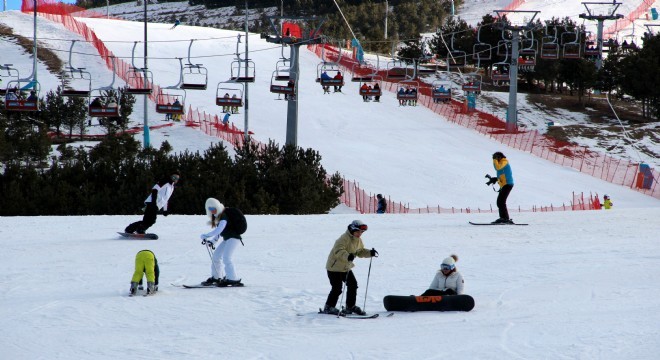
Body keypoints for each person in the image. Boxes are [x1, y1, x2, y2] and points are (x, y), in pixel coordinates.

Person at [322, 220, 378, 315]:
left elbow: (359, 251)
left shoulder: (358, 240)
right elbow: (338, 251)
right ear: (352, 230)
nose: (360, 234)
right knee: (337, 288)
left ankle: (350, 307)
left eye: (361, 232)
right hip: (334, 268)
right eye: (358, 232)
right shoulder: (343, 238)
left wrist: (369, 253)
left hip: (345, 268)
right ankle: (329, 307)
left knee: (353, 285)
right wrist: (347, 256)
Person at [199, 198, 246, 287]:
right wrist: (212, 241)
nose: (212, 211)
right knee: (216, 257)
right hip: (227, 239)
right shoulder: (219, 217)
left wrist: (206, 235)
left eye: (213, 209)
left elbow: (219, 229)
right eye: (210, 210)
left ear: (217, 207)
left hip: (233, 238)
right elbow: (220, 232)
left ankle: (233, 278)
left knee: (227, 258)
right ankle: (216, 277)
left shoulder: (224, 216)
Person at [487, 152, 514, 224]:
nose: (495, 159)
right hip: (505, 184)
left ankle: (505, 218)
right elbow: (502, 175)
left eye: (495, 158)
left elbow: (497, 168)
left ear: (499, 157)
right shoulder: (502, 163)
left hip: (508, 184)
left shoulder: (504, 162)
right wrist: (494, 179)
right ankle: (504, 218)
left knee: (501, 202)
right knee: (500, 202)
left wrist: (495, 160)